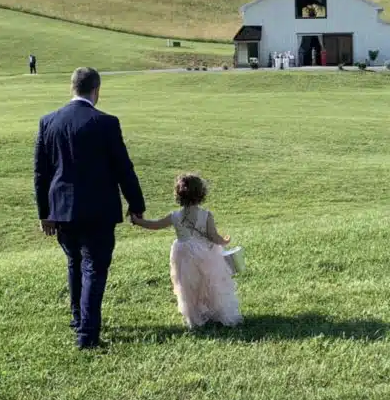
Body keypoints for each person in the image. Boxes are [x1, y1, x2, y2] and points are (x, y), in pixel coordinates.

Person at [34, 67, 146, 350]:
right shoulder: (106, 123)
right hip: (98, 210)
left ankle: (78, 319)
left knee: (75, 263)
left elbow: (41, 173)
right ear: (97, 90)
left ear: (71, 88)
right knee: (94, 269)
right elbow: (123, 168)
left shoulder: (48, 122)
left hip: (62, 211)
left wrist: (44, 213)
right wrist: (136, 204)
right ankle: (87, 334)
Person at [130, 174, 242, 330]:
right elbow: (213, 236)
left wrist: (138, 221)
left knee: (188, 287)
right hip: (206, 254)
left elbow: (155, 225)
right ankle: (215, 313)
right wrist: (224, 241)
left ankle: (194, 316)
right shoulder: (206, 215)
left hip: (183, 255)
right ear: (201, 193)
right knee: (210, 283)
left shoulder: (175, 216)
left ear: (179, 194)